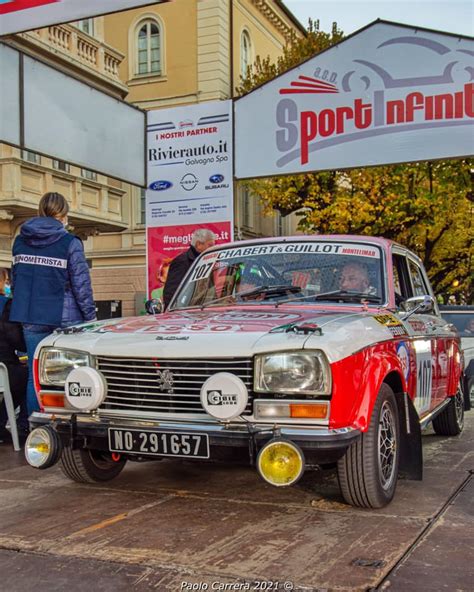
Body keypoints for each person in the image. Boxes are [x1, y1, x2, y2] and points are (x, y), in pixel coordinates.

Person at [10, 192, 96, 416]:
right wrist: (90, 317)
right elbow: (81, 284)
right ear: (63, 215)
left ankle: (36, 429)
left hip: (31, 317)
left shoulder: (20, 241)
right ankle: (67, 426)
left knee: (35, 376)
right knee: (72, 374)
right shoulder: (70, 242)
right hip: (66, 320)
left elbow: (17, 280)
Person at [0, 268, 28, 444]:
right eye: (6, 280)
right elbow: (15, 339)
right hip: (4, 366)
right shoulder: (6, 305)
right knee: (28, 379)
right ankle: (22, 424)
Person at [163, 229, 216, 309]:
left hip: (202, 310)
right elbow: (171, 293)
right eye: (210, 245)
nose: (213, 249)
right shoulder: (182, 261)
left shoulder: (205, 260)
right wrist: (176, 314)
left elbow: (209, 288)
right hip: (186, 313)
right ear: (198, 244)